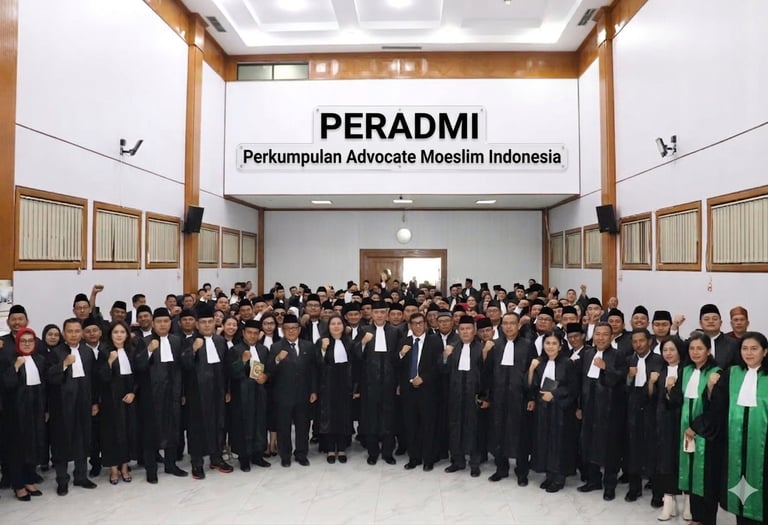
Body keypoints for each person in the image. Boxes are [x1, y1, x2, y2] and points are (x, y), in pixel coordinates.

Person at [708, 331, 768, 525]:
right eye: (744, 348)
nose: (748, 353)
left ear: (765, 352)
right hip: (735, 443)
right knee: (739, 490)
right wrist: (711, 388)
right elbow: (718, 406)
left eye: (754, 349)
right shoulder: (732, 374)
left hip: (763, 447)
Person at [671, 332, 721, 525]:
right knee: (692, 476)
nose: (695, 352)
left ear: (708, 351)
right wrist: (669, 391)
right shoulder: (686, 370)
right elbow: (677, 400)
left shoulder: (717, 372)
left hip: (706, 434)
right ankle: (696, 517)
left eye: (700, 348)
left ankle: (707, 520)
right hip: (686, 432)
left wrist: (696, 427)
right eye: (692, 348)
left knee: (705, 479)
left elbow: (716, 408)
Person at [135, 307, 188, 483]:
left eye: (166, 321)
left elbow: (182, 369)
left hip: (173, 393)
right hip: (152, 394)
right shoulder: (143, 341)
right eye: (159, 322)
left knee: (173, 429)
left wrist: (181, 392)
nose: (163, 324)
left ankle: (171, 464)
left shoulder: (176, 341)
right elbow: (138, 366)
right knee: (151, 431)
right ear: (153, 323)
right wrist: (149, 351)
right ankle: (151, 469)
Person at [47, 318, 98, 495]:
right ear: (64, 333)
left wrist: (94, 402)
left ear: (82, 333)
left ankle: (81, 476)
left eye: (77, 331)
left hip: (83, 402)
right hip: (62, 405)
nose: (74, 334)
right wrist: (64, 365)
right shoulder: (55, 353)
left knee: (83, 439)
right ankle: (62, 480)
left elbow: (93, 379)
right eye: (70, 331)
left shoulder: (87, 352)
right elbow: (49, 378)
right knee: (61, 442)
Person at [578, 322, 628, 501]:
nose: (600, 338)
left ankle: (609, 485)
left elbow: (621, 378)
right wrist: (579, 406)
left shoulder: (618, 355)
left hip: (609, 409)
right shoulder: (587, 353)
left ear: (611, 336)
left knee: (610, 448)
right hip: (589, 406)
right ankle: (593, 480)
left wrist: (606, 368)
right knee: (589, 444)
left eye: (605, 334)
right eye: (597, 334)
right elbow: (582, 381)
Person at [486, 312, 537, 485]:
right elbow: (488, 372)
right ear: (501, 326)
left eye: (512, 323)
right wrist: (487, 396)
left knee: (520, 434)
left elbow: (533, 373)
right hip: (498, 397)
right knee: (498, 432)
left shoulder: (527, 345)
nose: (508, 327)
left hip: (519, 397)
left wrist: (531, 397)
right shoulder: (495, 345)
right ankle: (501, 468)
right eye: (505, 323)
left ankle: (522, 471)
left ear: (518, 325)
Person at [185, 304, 233, 479]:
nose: (206, 325)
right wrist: (193, 350)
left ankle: (216, 458)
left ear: (214, 323)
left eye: (210, 322)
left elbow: (226, 368)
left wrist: (227, 390)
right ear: (197, 325)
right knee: (197, 428)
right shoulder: (189, 341)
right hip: (197, 393)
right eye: (203, 322)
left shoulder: (220, 342)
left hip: (218, 391)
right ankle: (197, 462)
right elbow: (184, 366)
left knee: (218, 425)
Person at [528, 331, 578, 493]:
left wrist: (554, 394)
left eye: (554, 343)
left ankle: (559, 477)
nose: (550, 346)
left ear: (560, 346)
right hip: (543, 408)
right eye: (547, 343)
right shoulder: (540, 362)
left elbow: (573, 387)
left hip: (560, 410)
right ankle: (549, 474)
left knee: (559, 443)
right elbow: (533, 385)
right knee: (545, 440)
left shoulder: (567, 363)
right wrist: (531, 369)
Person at [266, 313, 318, 467]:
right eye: (287, 328)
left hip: (303, 393)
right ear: (282, 330)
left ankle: (301, 454)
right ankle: (285, 455)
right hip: (283, 394)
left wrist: (313, 390)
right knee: (284, 427)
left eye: (294, 328)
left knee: (303, 426)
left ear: (299, 329)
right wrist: (277, 359)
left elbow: (313, 370)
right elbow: (269, 370)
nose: (291, 331)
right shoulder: (276, 347)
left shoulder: (308, 346)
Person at [1, 327, 46, 501]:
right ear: (17, 343)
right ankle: (18, 485)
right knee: (17, 449)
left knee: (32, 446)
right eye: (23, 341)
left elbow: (44, 387)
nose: (27, 344)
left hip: (35, 409)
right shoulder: (8, 359)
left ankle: (29, 479)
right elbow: (7, 384)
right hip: (16, 412)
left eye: (30, 341)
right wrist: (16, 367)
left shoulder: (40, 359)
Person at [355, 302, 401, 466]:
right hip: (370, 383)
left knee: (389, 418)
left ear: (387, 314)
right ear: (372, 314)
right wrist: (362, 343)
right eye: (376, 312)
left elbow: (398, 360)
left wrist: (398, 383)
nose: (380, 315)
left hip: (389, 382)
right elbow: (356, 356)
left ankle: (388, 452)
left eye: (382, 312)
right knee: (371, 418)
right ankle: (373, 452)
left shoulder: (395, 332)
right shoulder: (364, 330)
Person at [442, 315, 487, 477]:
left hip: (474, 396)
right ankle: (457, 461)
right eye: (462, 329)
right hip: (455, 395)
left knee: (474, 428)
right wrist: (445, 357)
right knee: (455, 427)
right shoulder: (452, 348)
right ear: (458, 331)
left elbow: (486, 375)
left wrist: (485, 397)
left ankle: (474, 463)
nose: (465, 332)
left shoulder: (481, 348)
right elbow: (443, 371)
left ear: (474, 331)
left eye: (468, 329)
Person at [623, 329, 664, 503]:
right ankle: (634, 488)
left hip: (652, 408)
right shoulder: (628, 360)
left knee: (654, 448)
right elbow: (623, 389)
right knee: (633, 448)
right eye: (635, 341)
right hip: (633, 408)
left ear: (649, 341)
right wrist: (629, 377)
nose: (638, 344)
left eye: (641, 341)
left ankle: (657, 491)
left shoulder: (659, 360)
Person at [397, 313, 441, 471]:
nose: (418, 326)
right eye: (414, 323)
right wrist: (401, 354)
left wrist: (423, 378)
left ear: (426, 324)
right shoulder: (404, 341)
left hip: (427, 390)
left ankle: (428, 459)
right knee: (410, 425)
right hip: (408, 391)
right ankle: (413, 458)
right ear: (409, 325)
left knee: (428, 425)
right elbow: (396, 365)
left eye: (420, 323)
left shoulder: (434, 341)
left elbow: (438, 366)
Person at [97, 321, 139, 485]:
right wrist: (109, 361)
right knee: (112, 434)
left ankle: (125, 467)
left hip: (128, 399)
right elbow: (101, 378)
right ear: (110, 335)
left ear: (127, 334)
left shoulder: (132, 351)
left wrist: (133, 392)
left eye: (122, 332)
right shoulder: (103, 352)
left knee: (127, 432)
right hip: (110, 400)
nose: (119, 335)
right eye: (116, 332)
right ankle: (114, 469)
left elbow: (138, 375)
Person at [229, 319, 271, 472]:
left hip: (259, 392)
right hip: (242, 393)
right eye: (249, 333)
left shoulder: (263, 350)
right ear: (243, 333)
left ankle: (258, 454)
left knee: (260, 423)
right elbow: (231, 373)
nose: (252, 336)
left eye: (255, 333)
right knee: (244, 425)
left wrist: (266, 377)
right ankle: (244, 457)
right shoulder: (235, 350)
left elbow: (270, 369)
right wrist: (242, 361)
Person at [652, 338, 686, 521]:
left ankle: (688, 504)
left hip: (682, 422)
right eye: (665, 350)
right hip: (664, 424)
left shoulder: (687, 370)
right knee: (665, 462)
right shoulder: (661, 370)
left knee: (684, 462)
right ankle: (668, 503)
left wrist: (671, 388)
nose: (668, 353)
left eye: (672, 349)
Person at [316, 315, 355, 464]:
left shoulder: (349, 342)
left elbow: (355, 364)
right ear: (328, 327)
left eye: (339, 323)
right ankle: (330, 448)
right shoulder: (321, 342)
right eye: (333, 324)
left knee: (344, 416)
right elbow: (316, 364)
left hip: (345, 384)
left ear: (343, 326)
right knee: (329, 418)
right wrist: (323, 349)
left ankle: (342, 448)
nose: (336, 326)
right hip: (327, 385)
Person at [259, 313, 281, 457]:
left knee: (275, 413)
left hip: (277, 381)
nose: (268, 326)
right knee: (263, 413)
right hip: (260, 382)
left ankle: (273, 442)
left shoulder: (280, 341)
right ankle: (264, 442)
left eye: (271, 323)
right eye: (266, 323)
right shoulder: (257, 340)